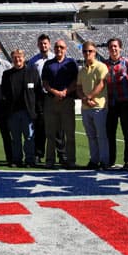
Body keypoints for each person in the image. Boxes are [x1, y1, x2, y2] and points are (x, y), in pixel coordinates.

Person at [41, 39, 79, 169]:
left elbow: (76, 82)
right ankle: (50, 160)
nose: (59, 49)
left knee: (70, 133)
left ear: (66, 48)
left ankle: (71, 160)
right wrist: (56, 92)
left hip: (67, 101)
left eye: (61, 47)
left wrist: (64, 92)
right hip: (51, 101)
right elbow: (45, 83)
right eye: (57, 47)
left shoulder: (71, 63)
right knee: (50, 134)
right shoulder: (48, 64)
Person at [2, 49, 40, 168]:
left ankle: (29, 160)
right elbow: (4, 92)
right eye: (15, 58)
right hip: (13, 112)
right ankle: (17, 159)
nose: (17, 60)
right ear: (12, 59)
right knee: (15, 138)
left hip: (28, 111)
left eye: (20, 57)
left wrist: (37, 110)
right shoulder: (7, 74)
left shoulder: (32, 72)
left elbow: (38, 91)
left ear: (24, 58)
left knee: (29, 137)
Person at [103, 37, 128, 170]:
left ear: (120, 48)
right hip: (111, 103)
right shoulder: (104, 64)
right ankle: (111, 160)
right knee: (110, 133)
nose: (113, 49)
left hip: (125, 102)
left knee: (127, 133)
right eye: (111, 46)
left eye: (115, 46)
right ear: (108, 49)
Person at [77, 41, 110, 170]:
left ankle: (104, 161)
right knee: (91, 136)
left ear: (95, 52)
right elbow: (78, 87)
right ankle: (94, 160)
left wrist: (89, 97)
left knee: (101, 136)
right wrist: (84, 99)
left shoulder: (101, 67)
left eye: (90, 51)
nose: (87, 53)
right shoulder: (82, 70)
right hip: (85, 107)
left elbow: (101, 84)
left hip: (99, 106)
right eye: (85, 51)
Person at [27, 33, 53, 163]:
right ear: (38, 45)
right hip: (40, 97)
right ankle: (38, 153)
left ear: (49, 44)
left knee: (57, 127)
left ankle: (60, 154)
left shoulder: (55, 58)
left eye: (45, 43)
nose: (43, 45)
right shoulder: (33, 61)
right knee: (40, 126)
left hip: (54, 95)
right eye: (41, 43)